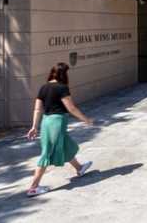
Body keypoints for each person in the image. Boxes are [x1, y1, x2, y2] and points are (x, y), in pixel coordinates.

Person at [25, 62, 94, 197]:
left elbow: (38, 109)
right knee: (48, 153)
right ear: (64, 74)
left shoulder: (43, 88)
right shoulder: (62, 88)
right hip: (57, 121)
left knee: (65, 145)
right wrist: (86, 119)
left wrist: (34, 126)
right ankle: (33, 187)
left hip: (46, 121)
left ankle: (79, 168)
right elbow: (71, 108)